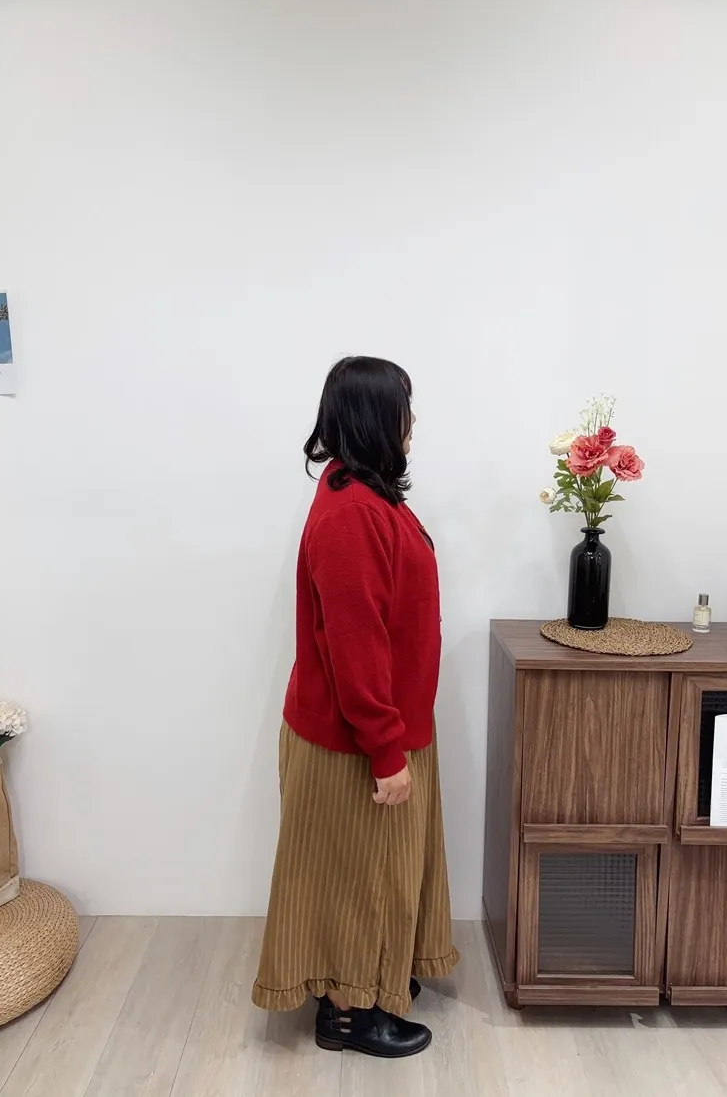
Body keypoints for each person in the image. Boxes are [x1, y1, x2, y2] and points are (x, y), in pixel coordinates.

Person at [252, 356, 458, 1058]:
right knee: (357, 877)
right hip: (354, 738)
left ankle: (372, 976)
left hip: (377, 727)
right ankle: (347, 1014)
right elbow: (355, 644)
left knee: (378, 870)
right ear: (375, 417)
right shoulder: (351, 514)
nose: (412, 421)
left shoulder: (364, 494)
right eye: (404, 407)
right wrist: (385, 751)